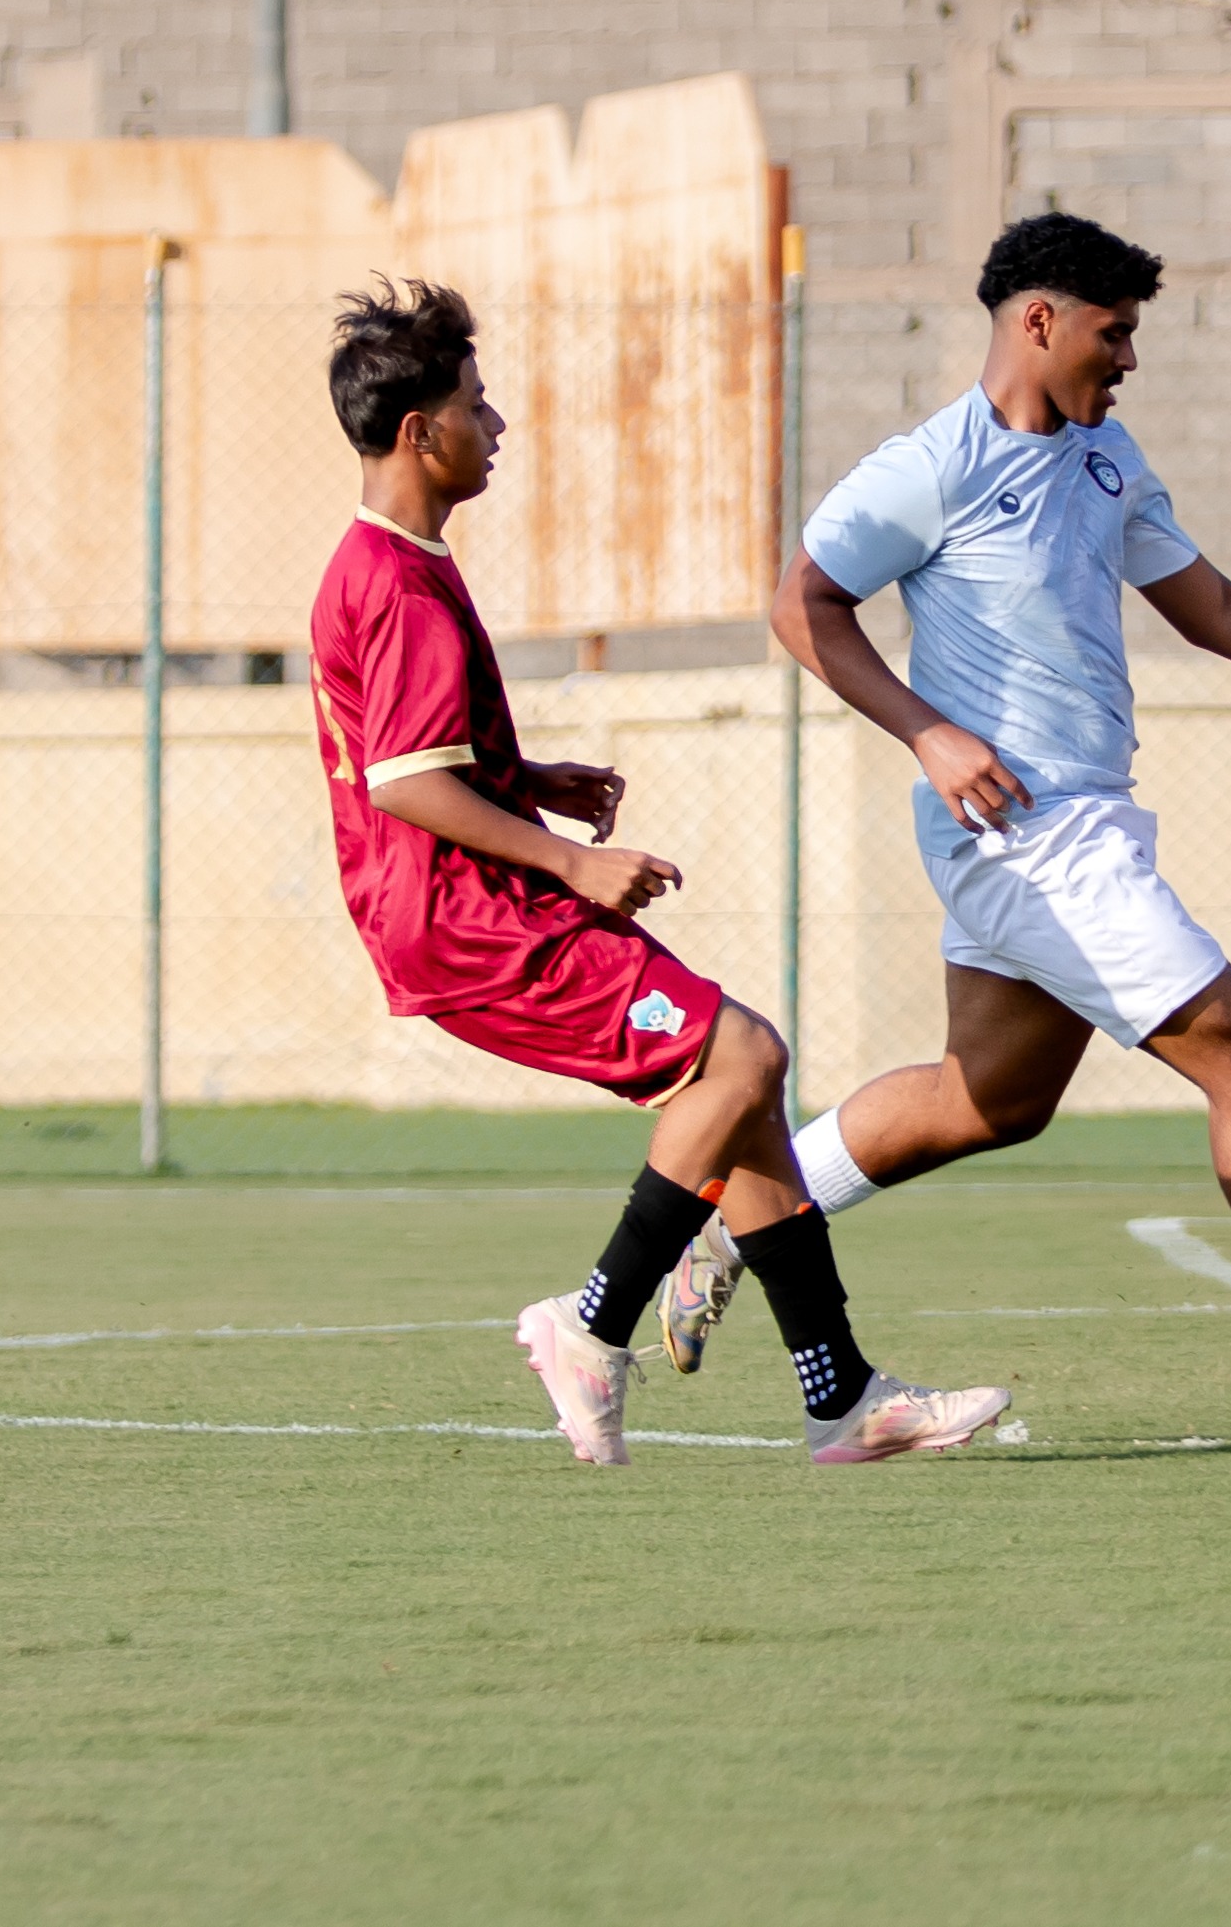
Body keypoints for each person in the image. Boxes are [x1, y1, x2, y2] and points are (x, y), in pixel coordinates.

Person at [657, 213, 1231, 1441]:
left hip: (1075, 826)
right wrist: (925, 731)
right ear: (1038, 322)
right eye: (1113, 336)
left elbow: (1209, 606)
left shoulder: (1109, 464)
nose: (1127, 362)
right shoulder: (929, 465)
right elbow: (804, 608)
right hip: (1027, 834)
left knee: (989, 1100)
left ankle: (737, 1219)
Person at [307, 278, 1007, 1469]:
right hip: (472, 916)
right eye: (477, 406)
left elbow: (422, 753)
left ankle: (841, 1399)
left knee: (742, 1111)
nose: (498, 424)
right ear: (418, 432)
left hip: (461, 903)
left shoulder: (384, 565)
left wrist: (530, 779)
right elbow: (403, 784)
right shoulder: (404, 584)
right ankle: (592, 1326)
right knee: (744, 1055)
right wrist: (570, 862)